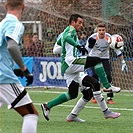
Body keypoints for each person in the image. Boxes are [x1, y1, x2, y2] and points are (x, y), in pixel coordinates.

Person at [41, 14, 121, 122]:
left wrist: (75, 47)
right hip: (71, 63)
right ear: (73, 22)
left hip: (70, 67)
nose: (81, 25)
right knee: (97, 60)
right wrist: (76, 45)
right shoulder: (71, 30)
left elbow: (62, 43)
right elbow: (65, 39)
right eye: (79, 22)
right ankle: (107, 87)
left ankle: (52, 107)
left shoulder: (67, 32)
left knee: (77, 94)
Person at [0, 0, 38, 132]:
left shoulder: (2, 24)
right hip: (3, 78)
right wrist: (24, 69)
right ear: (23, 6)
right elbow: (12, 46)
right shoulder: (15, 24)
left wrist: (14, 70)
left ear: (6, 7)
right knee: (30, 114)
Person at [86, 23, 128, 104]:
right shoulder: (92, 37)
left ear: (105, 30)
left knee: (108, 75)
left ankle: (109, 97)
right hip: (94, 58)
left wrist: (123, 62)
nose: (101, 32)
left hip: (105, 58)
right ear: (97, 30)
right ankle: (94, 95)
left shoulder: (110, 38)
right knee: (95, 77)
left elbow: (117, 51)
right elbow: (86, 50)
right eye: (100, 30)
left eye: (103, 30)